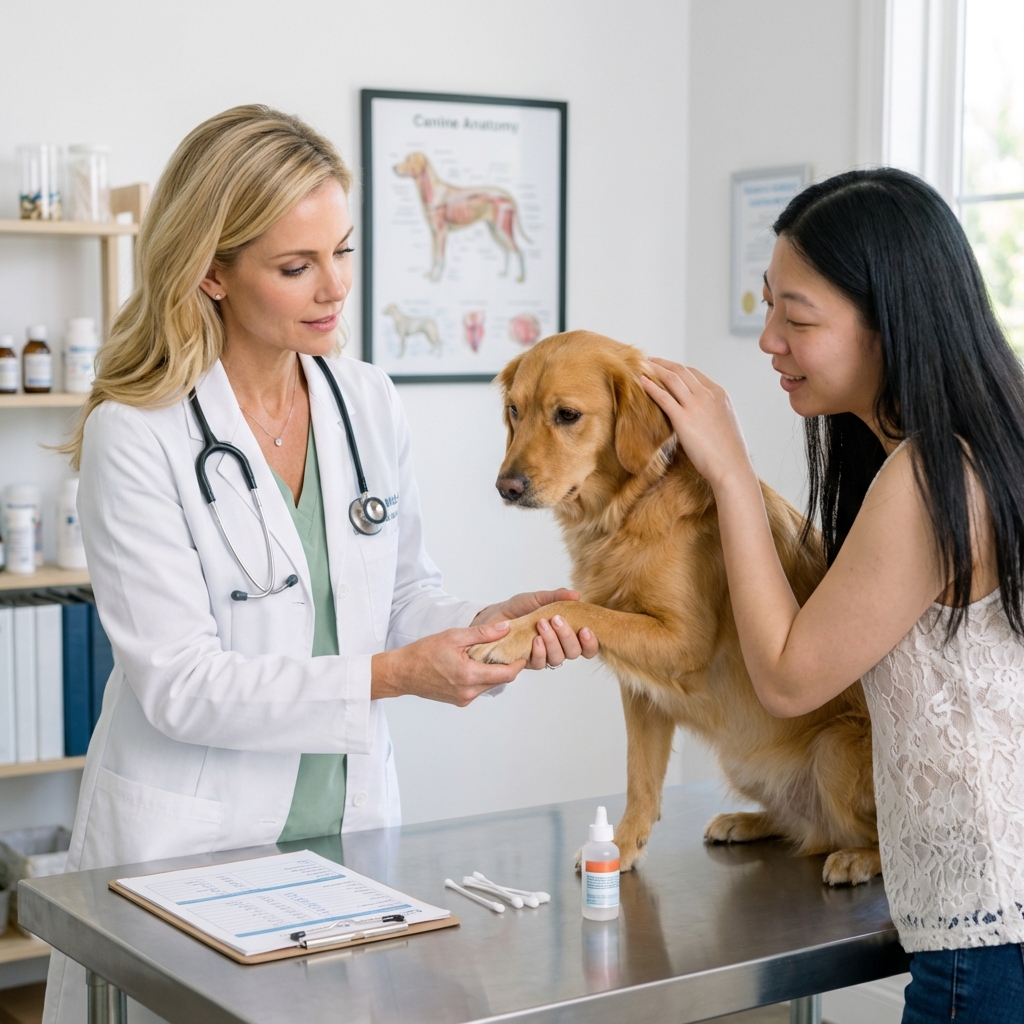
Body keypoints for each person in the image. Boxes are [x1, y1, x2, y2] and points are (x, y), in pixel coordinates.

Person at [45, 105, 596, 1024]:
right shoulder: (135, 432)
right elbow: (181, 684)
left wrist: (477, 633)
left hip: (344, 838)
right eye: (296, 267)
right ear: (211, 271)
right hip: (188, 845)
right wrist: (398, 675)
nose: (333, 288)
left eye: (342, 252)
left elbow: (402, 589)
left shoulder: (366, 399)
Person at [642, 168, 1024, 1023]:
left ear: (890, 326)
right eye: (767, 304)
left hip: (988, 938)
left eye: (798, 318)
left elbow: (785, 677)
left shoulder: (934, 478)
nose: (769, 339)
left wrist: (730, 474)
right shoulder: (978, 449)